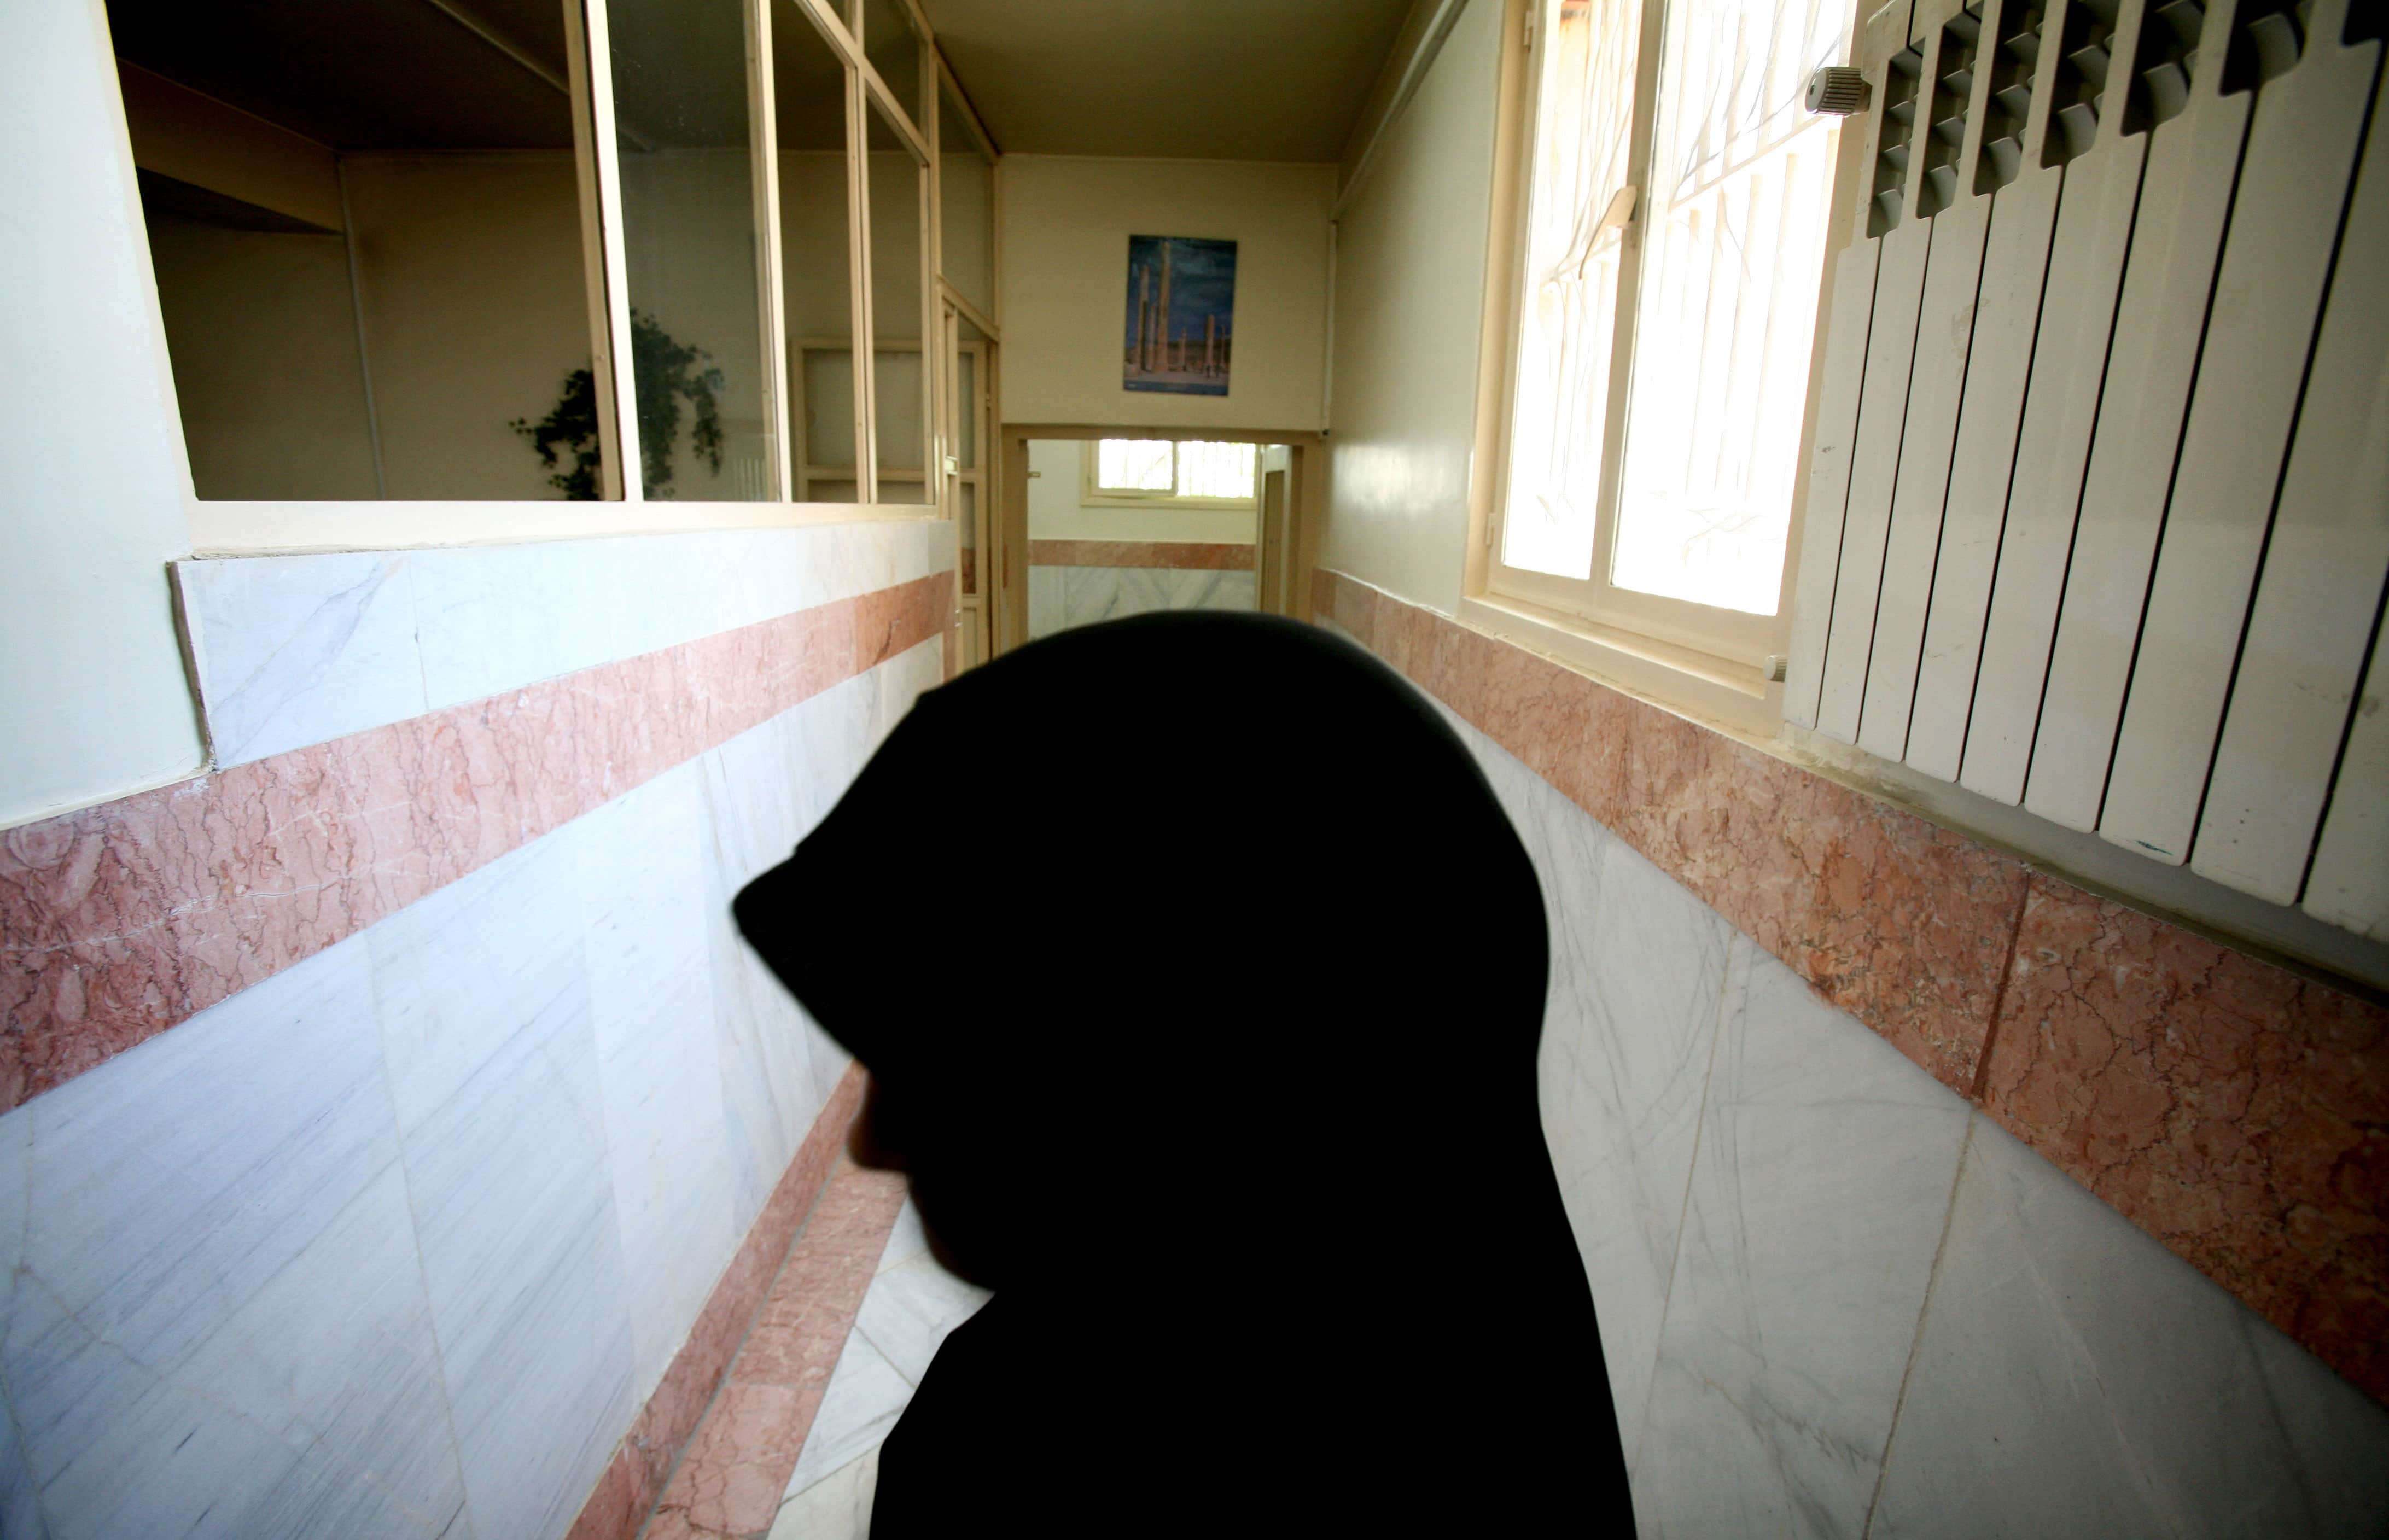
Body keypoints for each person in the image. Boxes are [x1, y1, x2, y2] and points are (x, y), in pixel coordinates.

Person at [735, 611, 1635, 1533]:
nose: (872, 1142)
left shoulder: (1016, 1461)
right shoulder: (1516, 1411)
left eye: (970, 1051)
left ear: (1201, 1072)